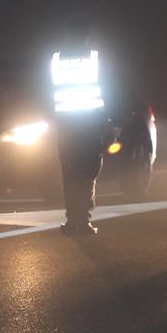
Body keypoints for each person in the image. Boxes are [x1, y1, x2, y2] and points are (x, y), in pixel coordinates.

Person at [50, 19, 111, 236]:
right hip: (89, 125)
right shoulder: (94, 58)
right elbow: (106, 90)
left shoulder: (56, 59)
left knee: (70, 172)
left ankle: (71, 220)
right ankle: (83, 221)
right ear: (86, 36)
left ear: (68, 35)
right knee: (87, 173)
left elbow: (48, 90)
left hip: (66, 125)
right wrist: (108, 124)